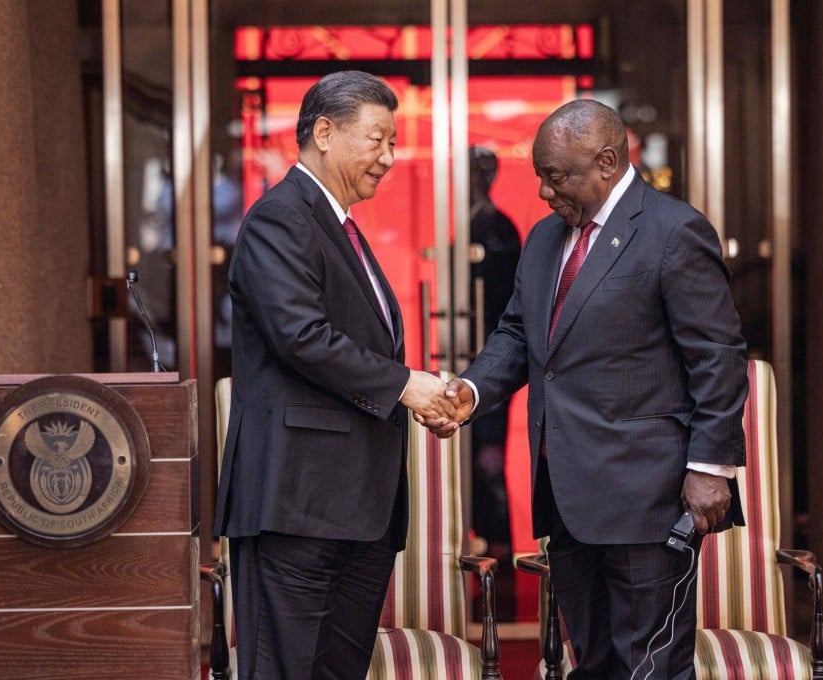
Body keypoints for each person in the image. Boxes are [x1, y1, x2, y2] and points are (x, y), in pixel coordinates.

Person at [428, 99, 748, 679]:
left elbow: (719, 357)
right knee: (593, 664)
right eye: (540, 178)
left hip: (650, 496)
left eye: (557, 177)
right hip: (568, 495)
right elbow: (519, 334)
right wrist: (470, 392)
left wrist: (711, 466)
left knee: (651, 667)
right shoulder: (545, 239)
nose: (546, 193)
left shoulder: (674, 231)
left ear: (605, 161)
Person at [214, 70, 460, 680]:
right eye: (377, 140)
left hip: (357, 509)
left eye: (393, 142)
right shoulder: (280, 218)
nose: (390, 157)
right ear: (324, 132)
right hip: (297, 502)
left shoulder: (339, 226)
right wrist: (409, 386)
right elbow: (303, 338)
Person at [466, 145, 521, 620]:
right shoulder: (467, 221)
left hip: (492, 362)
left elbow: (511, 315)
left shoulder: (499, 228)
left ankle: (499, 543)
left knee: (488, 459)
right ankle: (479, 535)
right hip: (467, 361)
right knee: (472, 459)